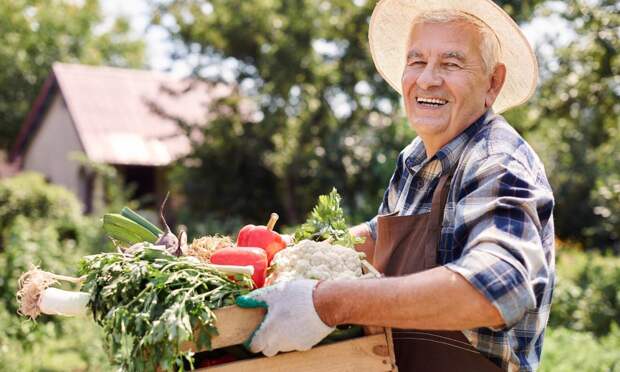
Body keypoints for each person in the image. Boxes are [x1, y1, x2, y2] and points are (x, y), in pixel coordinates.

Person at [236, 0, 555, 371]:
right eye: (417, 61)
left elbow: (498, 288)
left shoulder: (496, 161)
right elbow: (380, 236)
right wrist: (290, 251)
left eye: (451, 63)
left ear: (492, 82)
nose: (427, 79)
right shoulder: (417, 158)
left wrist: (328, 303)